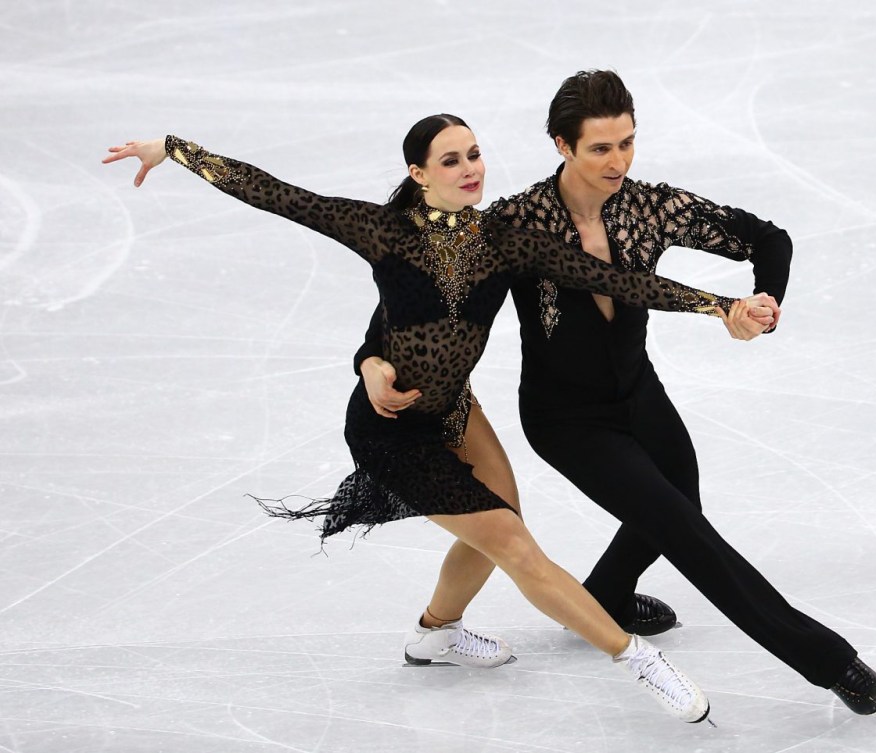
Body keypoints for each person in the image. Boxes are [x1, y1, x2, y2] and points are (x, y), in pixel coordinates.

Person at [101, 115, 778, 723]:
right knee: (514, 546)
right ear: (418, 173)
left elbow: (615, 280)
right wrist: (175, 149)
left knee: (500, 523)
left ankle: (435, 631)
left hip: (456, 413)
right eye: (451, 159)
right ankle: (638, 661)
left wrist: (718, 306)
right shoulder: (380, 230)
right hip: (388, 429)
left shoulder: (503, 241)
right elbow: (279, 194)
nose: (470, 168)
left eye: (475, 153)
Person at [355, 72, 876, 716]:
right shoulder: (515, 225)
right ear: (562, 145)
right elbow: (418, 297)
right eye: (601, 149)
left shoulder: (650, 208)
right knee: (688, 534)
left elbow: (768, 238)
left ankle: (607, 591)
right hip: (566, 419)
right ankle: (827, 660)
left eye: (628, 143)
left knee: (679, 496)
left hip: (639, 395)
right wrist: (371, 357)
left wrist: (764, 303)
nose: (619, 162)